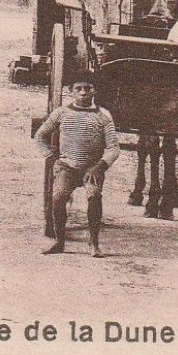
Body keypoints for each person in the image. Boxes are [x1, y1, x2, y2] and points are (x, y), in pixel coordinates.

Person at [33, 74, 120, 257]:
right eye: (78, 89)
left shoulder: (103, 116)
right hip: (67, 167)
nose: (83, 93)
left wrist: (99, 167)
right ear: (70, 91)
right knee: (58, 197)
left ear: (94, 90)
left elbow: (113, 148)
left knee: (94, 196)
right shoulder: (61, 113)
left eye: (87, 88)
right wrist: (51, 157)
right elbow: (40, 136)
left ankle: (94, 243)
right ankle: (59, 241)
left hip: (92, 168)